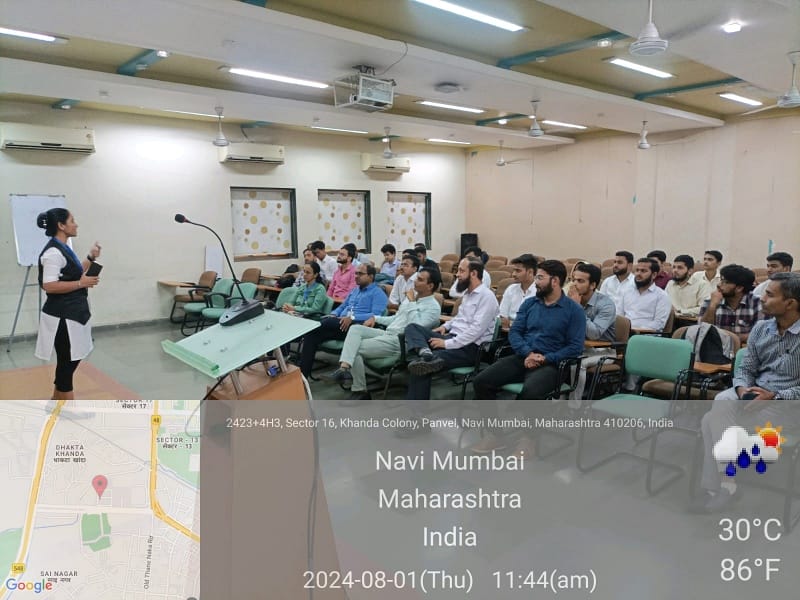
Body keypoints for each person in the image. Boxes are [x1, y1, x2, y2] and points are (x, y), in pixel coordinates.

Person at [692, 272, 800, 513]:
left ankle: (718, 488)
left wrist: (774, 396)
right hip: (751, 395)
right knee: (723, 399)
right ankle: (727, 485)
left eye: (770, 295)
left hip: (787, 404)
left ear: (790, 303)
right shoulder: (761, 329)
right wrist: (741, 389)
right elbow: (746, 368)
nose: (762, 298)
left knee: (710, 420)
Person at [471, 260, 585, 456]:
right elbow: (515, 332)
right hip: (524, 356)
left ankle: (529, 438)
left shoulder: (574, 311)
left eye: (540, 278)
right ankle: (495, 434)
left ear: (555, 281)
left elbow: (575, 347)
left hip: (553, 364)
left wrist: (545, 358)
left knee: (531, 392)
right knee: (481, 381)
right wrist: (527, 354)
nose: (536, 282)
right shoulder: (530, 303)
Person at [399, 258, 498, 431]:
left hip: (471, 348)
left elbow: (475, 331)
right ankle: (425, 351)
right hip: (453, 338)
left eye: (461, 271)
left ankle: (418, 421)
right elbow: (459, 319)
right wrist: (445, 326)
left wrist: (447, 344)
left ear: (473, 273)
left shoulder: (487, 297)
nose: (457, 275)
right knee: (412, 328)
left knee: (421, 367)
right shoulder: (467, 294)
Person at [328, 268, 442, 405]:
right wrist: (375, 318)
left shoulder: (433, 307)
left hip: (401, 341)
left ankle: (359, 390)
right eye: (417, 278)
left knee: (353, 349)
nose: (415, 281)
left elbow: (415, 327)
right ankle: (344, 369)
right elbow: (396, 319)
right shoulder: (410, 299)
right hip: (388, 333)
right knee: (355, 328)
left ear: (430, 286)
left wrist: (411, 302)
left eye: (420, 280)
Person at [34, 208, 101, 400]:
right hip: (62, 317)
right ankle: (67, 410)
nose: (76, 224)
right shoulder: (53, 252)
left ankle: (56, 403)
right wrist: (81, 283)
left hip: (72, 313)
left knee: (68, 362)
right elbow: (49, 285)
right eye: (72, 221)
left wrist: (90, 258)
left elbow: (74, 272)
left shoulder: (62, 247)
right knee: (67, 363)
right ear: (61, 226)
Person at [298, 264, 387, 378]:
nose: (356, 276)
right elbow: (343, 306)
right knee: (311, 335)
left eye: (360, 274)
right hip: (340, 325)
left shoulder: (378, 293)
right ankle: (302, 376)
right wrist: (334, 314)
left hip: (357, 327)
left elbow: (376, 315)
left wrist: (352, 318)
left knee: (323, 323)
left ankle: (314, 325)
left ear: (371, 276)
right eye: (356, 273)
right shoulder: (355, 290)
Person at [566, 263, 617, 404]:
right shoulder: (569, 300)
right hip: (578, 346)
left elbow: (594, 334)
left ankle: (573, 406)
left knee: (577, 363)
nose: (574, 284)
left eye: (580, 281)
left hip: (602, 350)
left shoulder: (606, 304)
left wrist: (577, 308)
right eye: (573, 280)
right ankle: (555, 399)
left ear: (593, 285)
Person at [699, 264, 761, 343]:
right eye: (721, 280)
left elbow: (761, 333)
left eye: (725, 282)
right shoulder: (711, 300)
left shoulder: (757, 302)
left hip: (747, 348)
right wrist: (712, 306)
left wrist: (731, 339)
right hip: (717, 347)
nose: (719, 285)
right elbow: (702, 331)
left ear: (739, 288)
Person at [615, 258, 672, 332]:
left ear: (654, 275)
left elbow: (659, 324)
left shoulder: (662, 296)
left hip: (647, 335)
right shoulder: (626, 291)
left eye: (643, 271)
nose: (638, 274)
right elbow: (619, 316)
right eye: (637, 270)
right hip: (625, 333)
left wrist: (635, 330)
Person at [498, 253, 537, 329]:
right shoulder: (511, 289)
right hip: (507, 331)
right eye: (514, 271)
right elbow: (502, 316)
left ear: (530, 272)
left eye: (518, 271)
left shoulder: (539, 292)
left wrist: (511, 323)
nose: (513, 274)